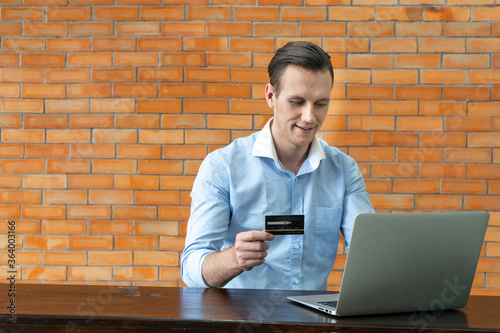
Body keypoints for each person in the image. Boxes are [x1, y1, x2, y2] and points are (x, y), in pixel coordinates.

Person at [181, 41, 374, 290]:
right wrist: (233, 259)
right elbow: (191, 269)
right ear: (271, 96)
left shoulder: (344, 169)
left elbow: (369, 250)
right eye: (297, 102)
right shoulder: (222, 167)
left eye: (321, 103)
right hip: (241, 322)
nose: (310, 117)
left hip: (314, 323)